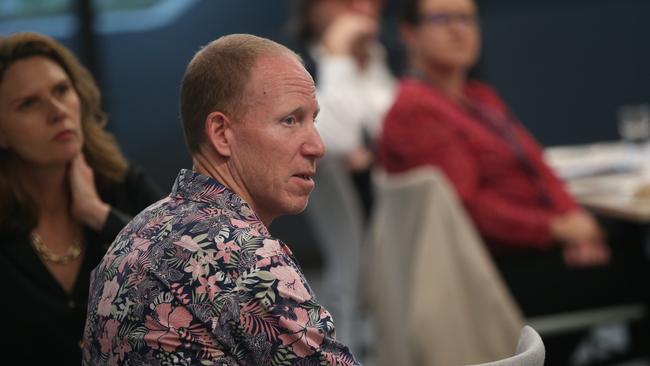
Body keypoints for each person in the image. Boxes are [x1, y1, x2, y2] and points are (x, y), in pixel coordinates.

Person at [377, 0, 648, 362]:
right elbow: (468, 210)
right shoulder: (417, 109)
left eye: (467, 19)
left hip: (530, 250)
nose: (459, 29)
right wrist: (557, 230)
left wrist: (578, 223)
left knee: (627, 254)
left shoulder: (479, 96)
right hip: (492, 274)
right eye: (442, 18)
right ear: (409, 33)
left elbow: (540, 167)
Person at [82, 34, 360, 365]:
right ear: (221, 133)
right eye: (290, 120)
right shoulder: (241, 256)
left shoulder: (137, 232)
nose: (317, 146)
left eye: (312, 120)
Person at [0, 32, 162, 365]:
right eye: (28, 103)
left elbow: (194, 282)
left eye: (61, 90)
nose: (57, 111)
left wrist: (101, 217)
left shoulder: (123, 187)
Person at [287, 0, 396, 347]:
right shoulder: (291, 67)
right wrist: (336, 52)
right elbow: (336, 137)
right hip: (371, 243)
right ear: (311, 9)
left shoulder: (389, 58)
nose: (363, 7)